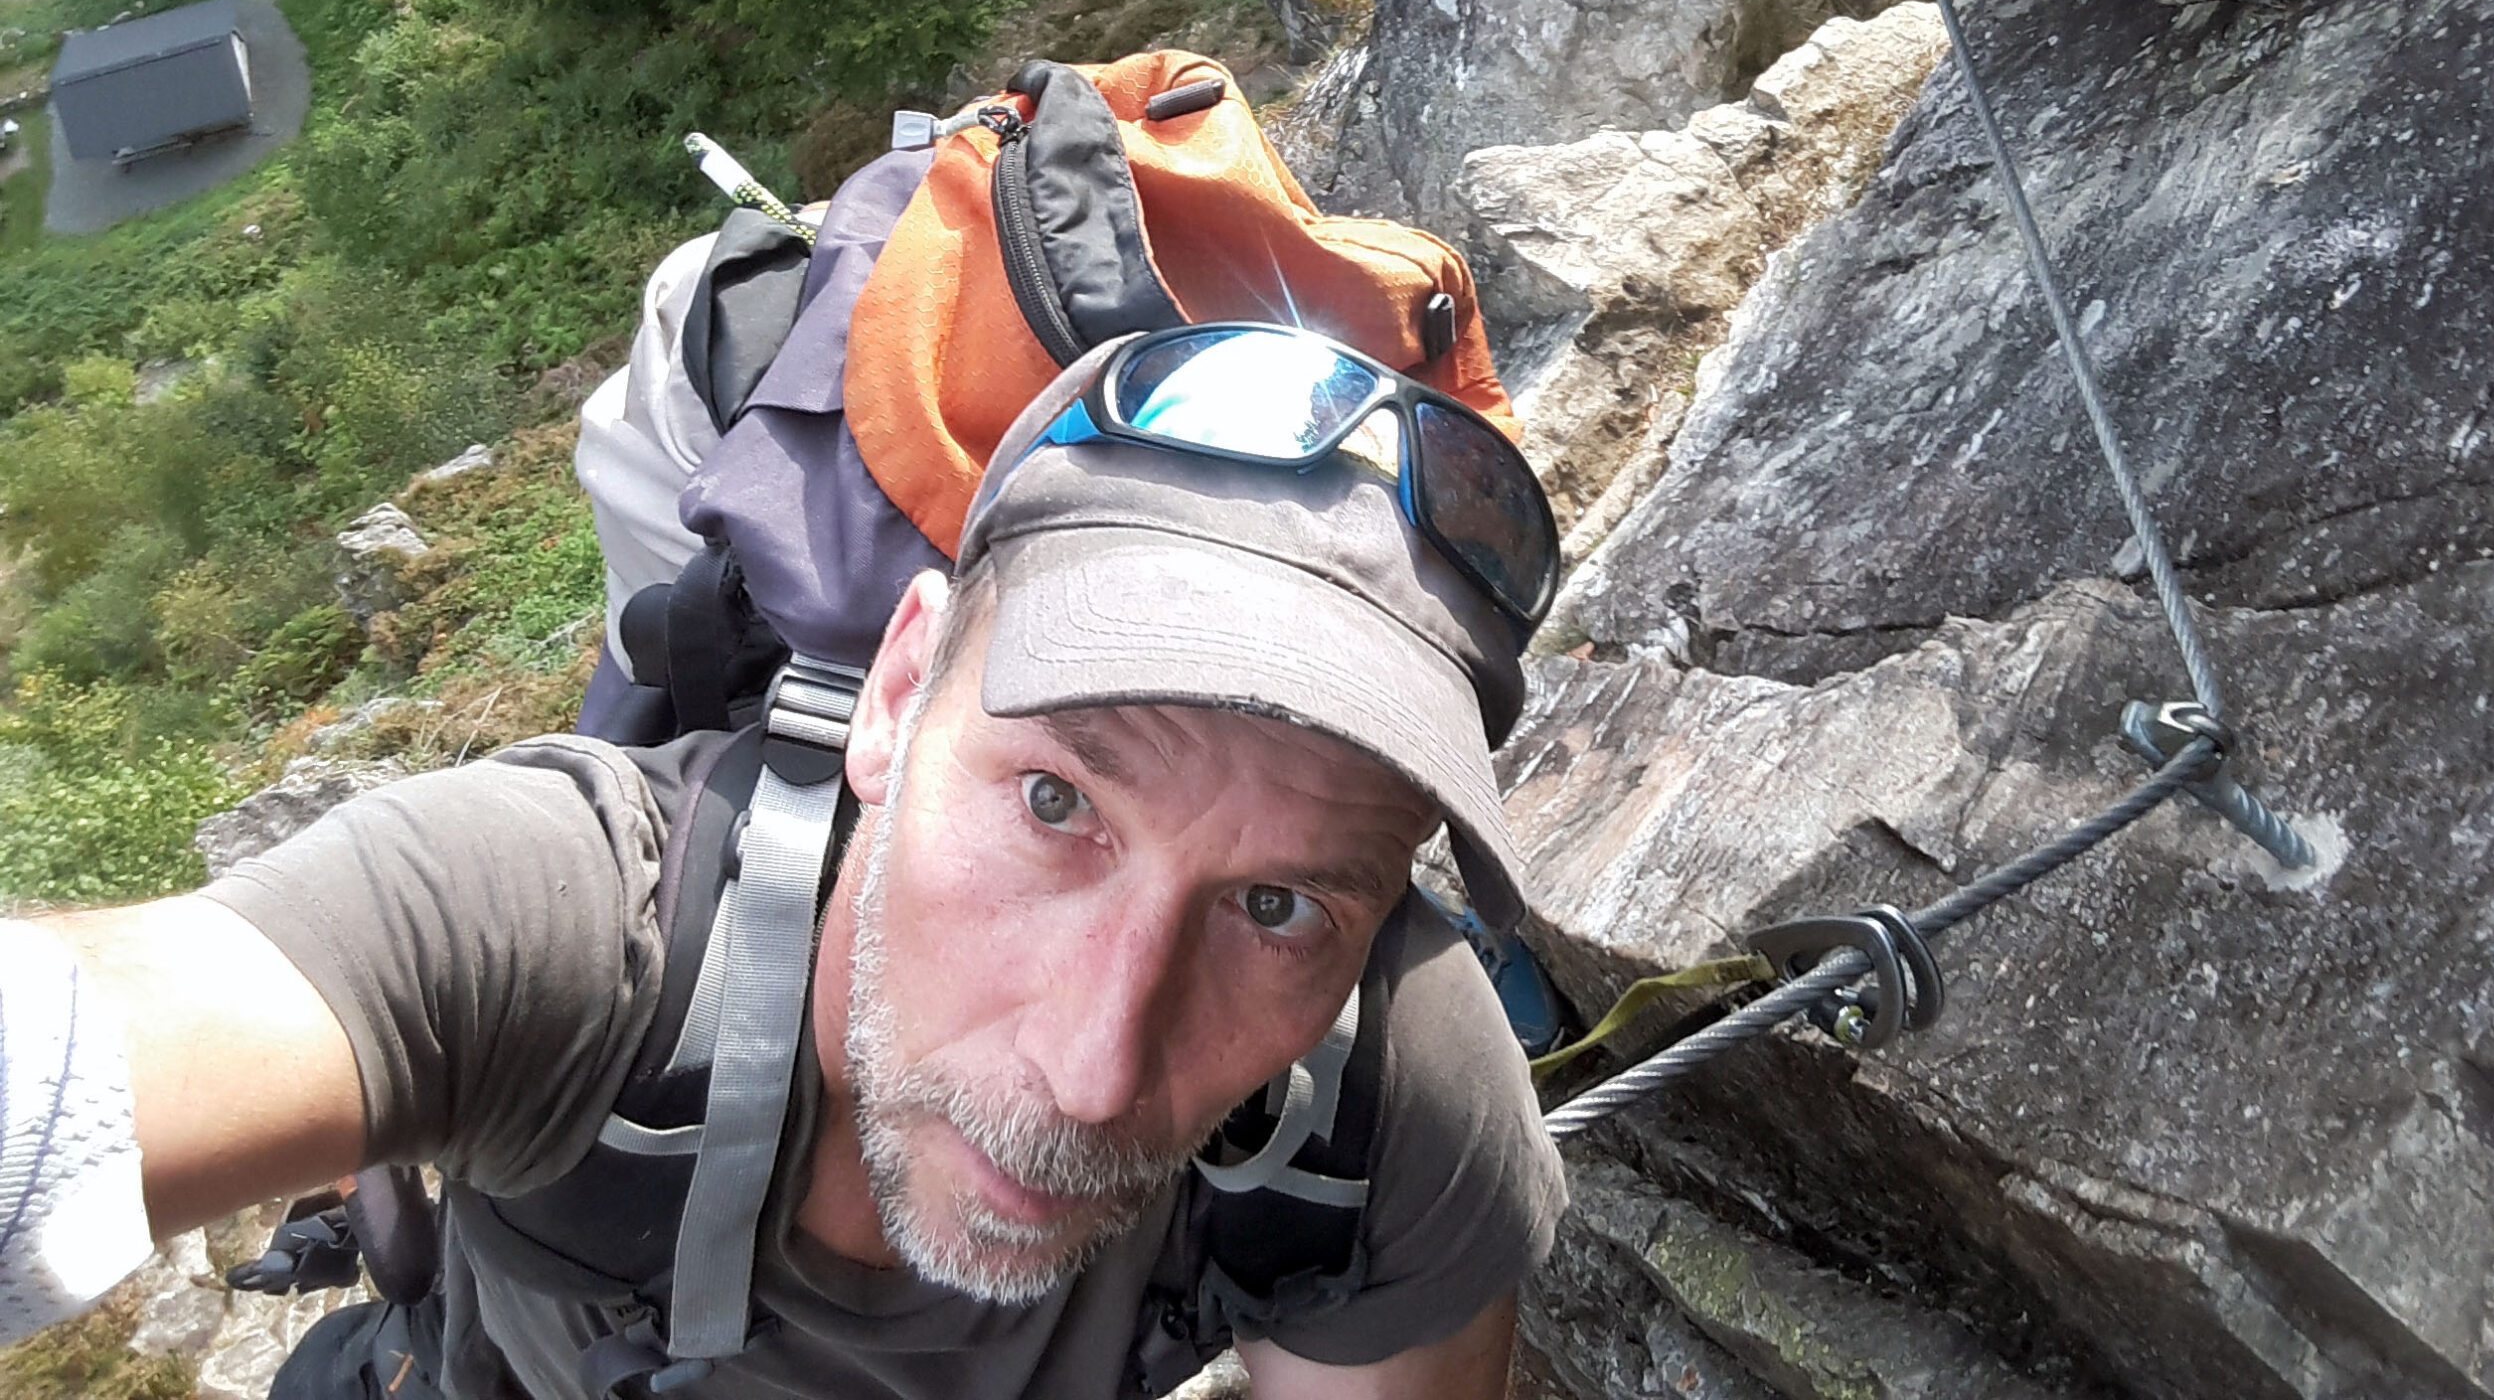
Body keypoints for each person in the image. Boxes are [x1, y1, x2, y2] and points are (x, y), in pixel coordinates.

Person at [0, 324, 1569, 1398]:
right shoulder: (573, 931)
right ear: (898, 694)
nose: (1096, 1073)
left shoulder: (1390, 1112)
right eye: (1055, 804)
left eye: (1278, 907)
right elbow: (70, 1071)